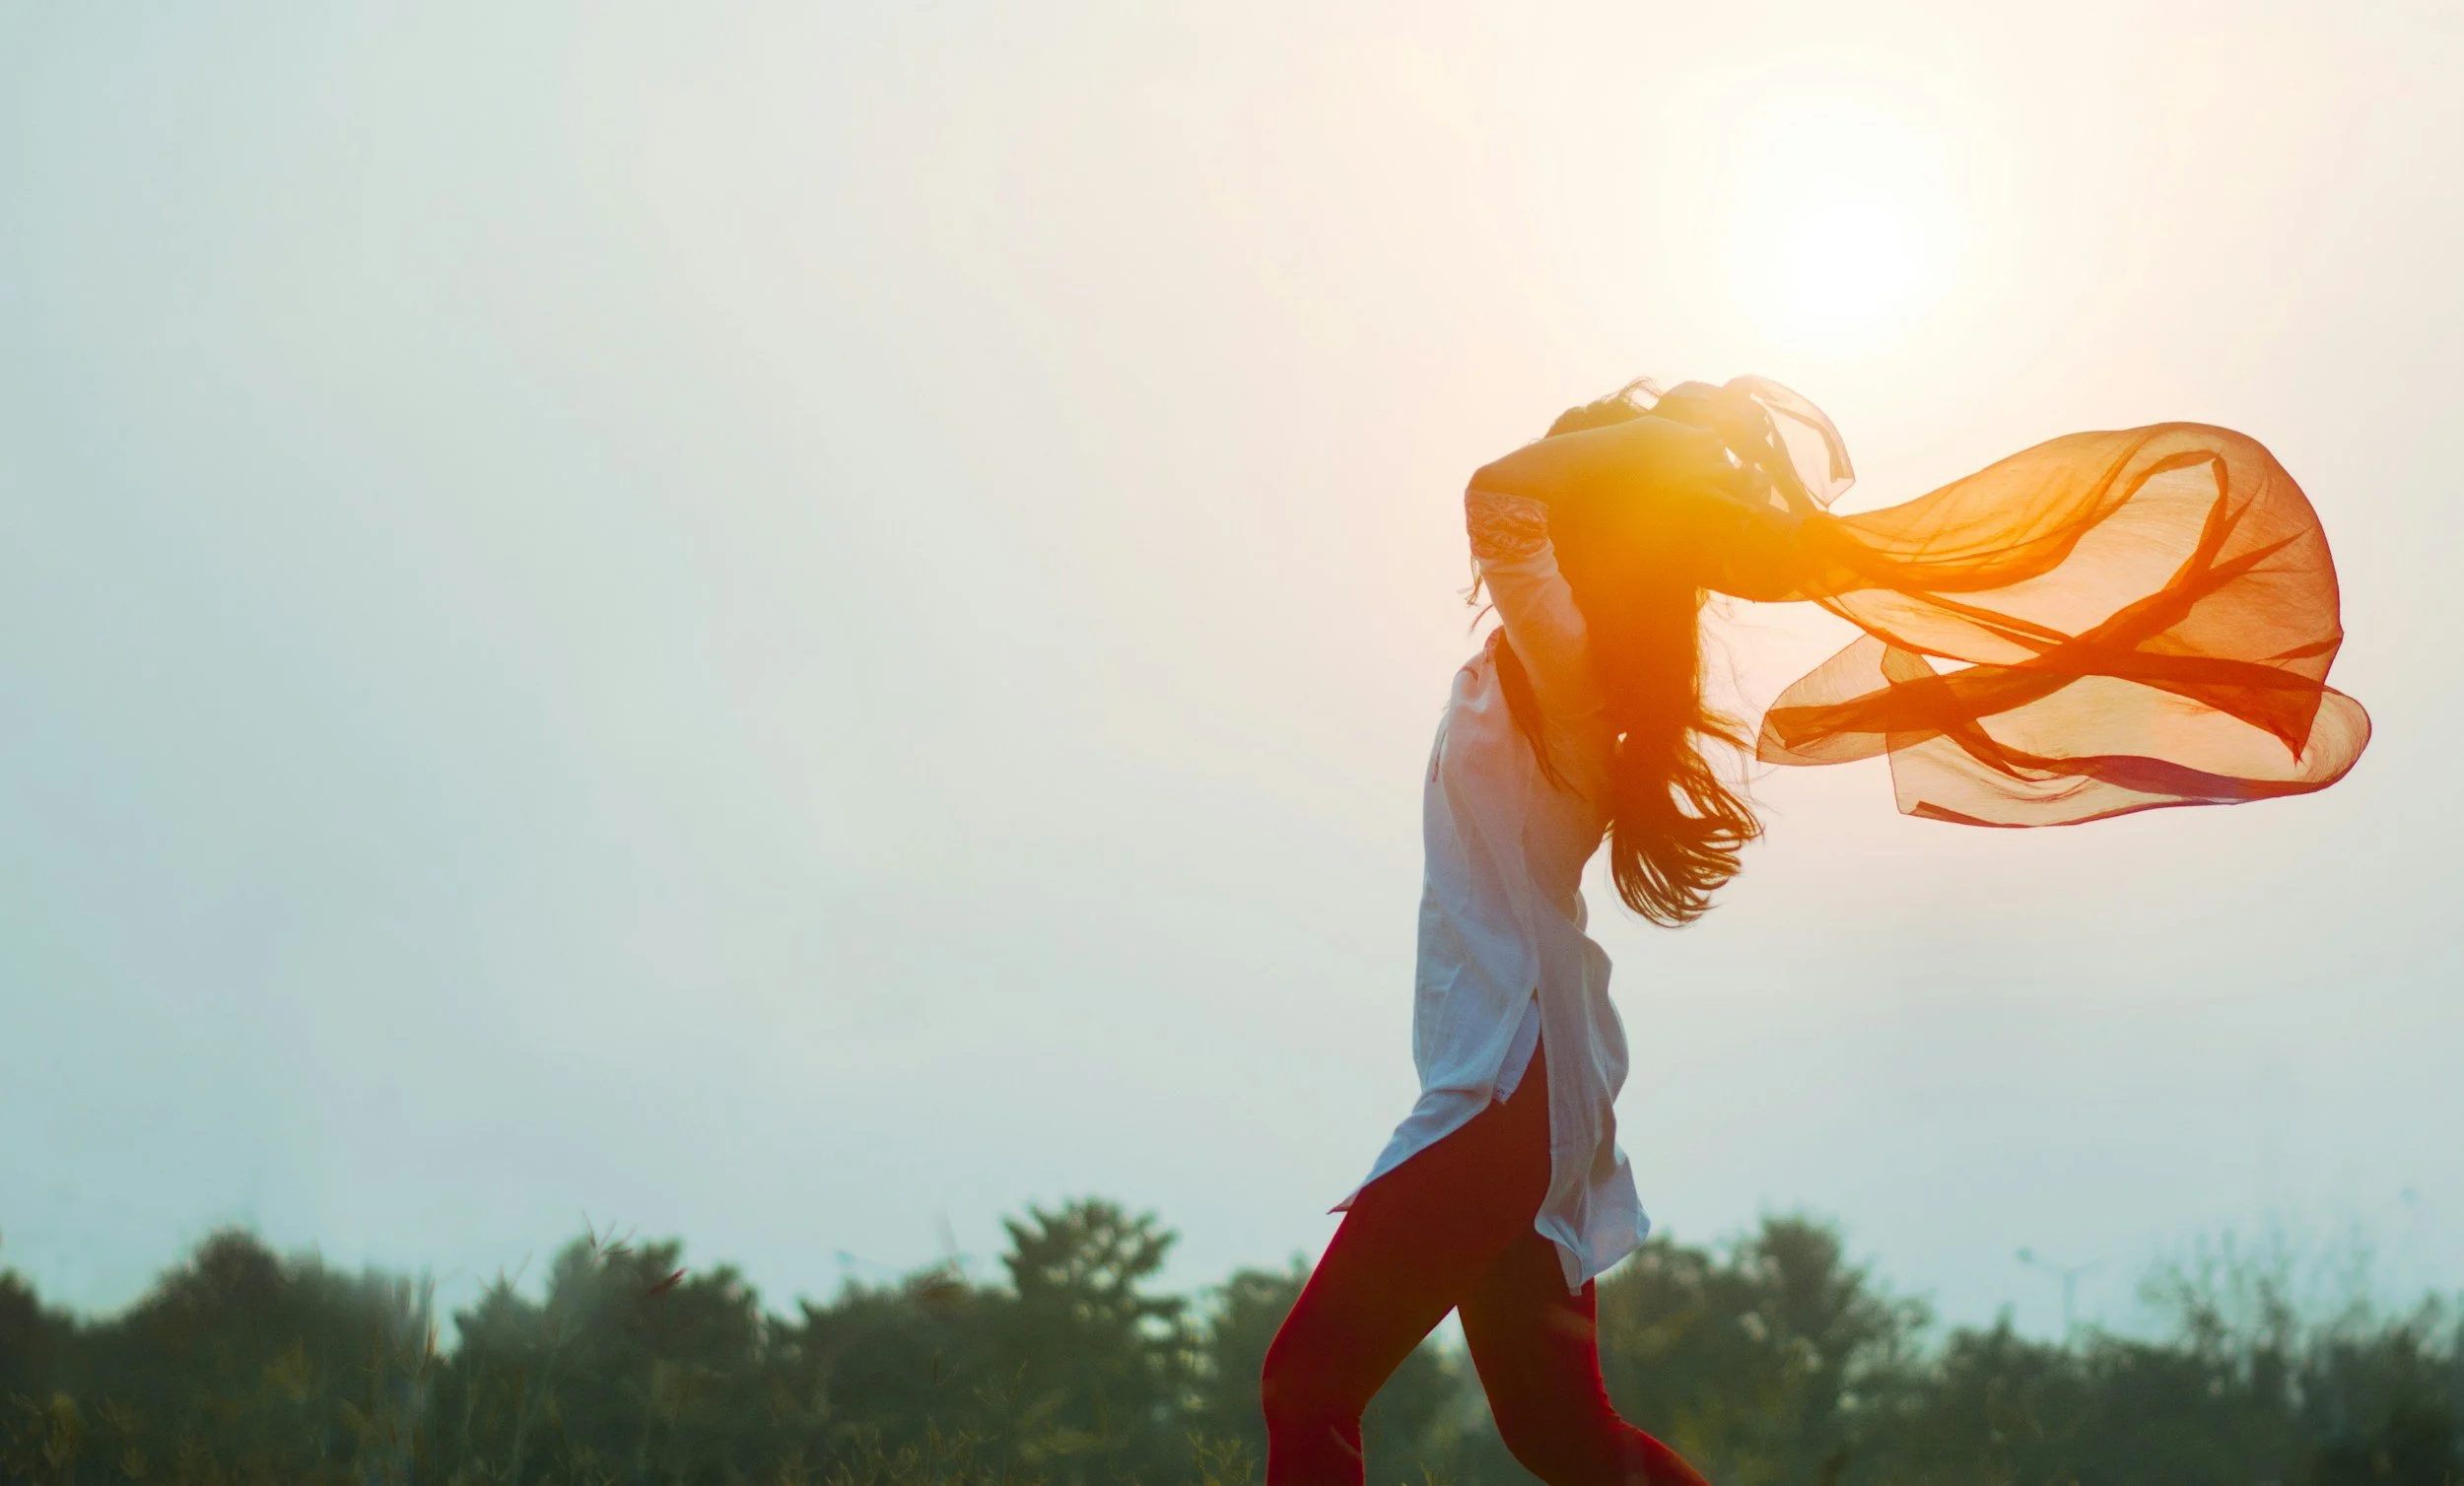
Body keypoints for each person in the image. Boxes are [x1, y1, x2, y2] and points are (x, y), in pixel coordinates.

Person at [1258, 380, 1774, 1486]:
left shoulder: (1566, 663)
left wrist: (1662, 445)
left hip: (1508, 1084)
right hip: (1522, 1083)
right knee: (1561, 1435)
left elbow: (1496, 495)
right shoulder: (1557, 669)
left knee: (1308, 1381)